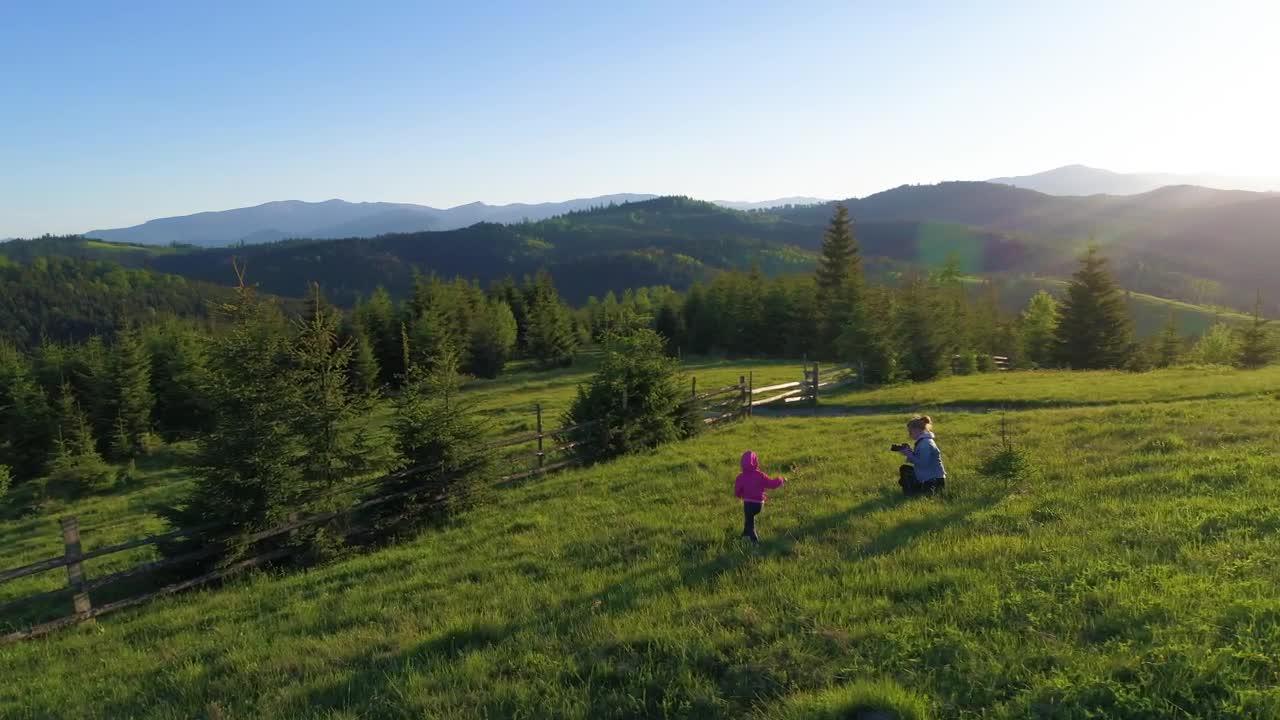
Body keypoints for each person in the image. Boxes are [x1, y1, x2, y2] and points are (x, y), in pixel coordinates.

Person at [734, 450, 786, 543]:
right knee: (748, 519)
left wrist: (741, 495)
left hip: (748, 504)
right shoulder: (760, 475)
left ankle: (755, 542)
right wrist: (780, 480)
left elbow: (737, 492)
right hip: (759, 505)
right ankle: (744, 535)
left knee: (750, 523)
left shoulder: (741, 477)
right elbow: (772, 484)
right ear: (755, 462)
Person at [894, 415, 946, 495]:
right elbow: (919, 460)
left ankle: (911, 494)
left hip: (933, 481)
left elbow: (923, 464)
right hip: (930, 478)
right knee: (904, 469)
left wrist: (909, 454)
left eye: (910, 432)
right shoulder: (924, 441)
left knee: (906, 473)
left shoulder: (924, 444)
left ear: (917, 430)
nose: (909, 434)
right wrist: (909, 453)